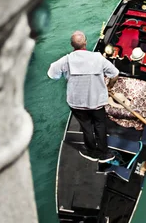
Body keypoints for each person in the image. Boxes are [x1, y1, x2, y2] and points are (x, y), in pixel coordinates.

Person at [47, 30, 119, 162]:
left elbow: (52, 73)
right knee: (100, 124)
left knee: (86, 126)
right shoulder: (98, 58)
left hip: (77, 103)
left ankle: (91, 151)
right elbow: (115, 74)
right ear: (85, 42)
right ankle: (103, 153)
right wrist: (109, 87)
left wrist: (64, 75)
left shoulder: (67, 60)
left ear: (71, 45)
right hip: (97, 101)